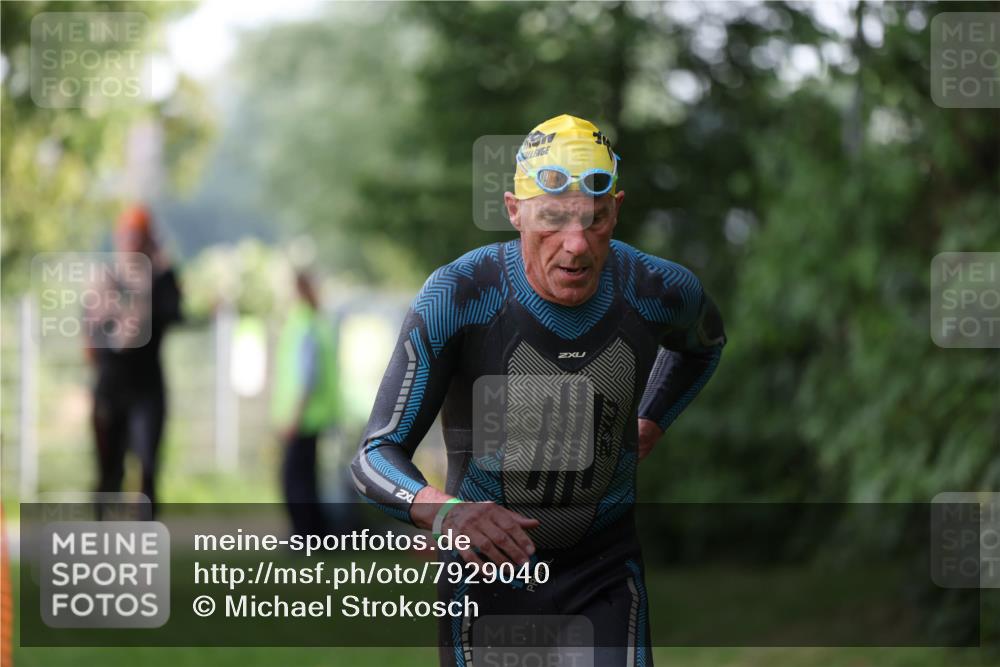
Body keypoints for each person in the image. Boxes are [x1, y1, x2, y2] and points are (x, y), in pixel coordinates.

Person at [350, 114, 726, 666]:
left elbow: (704, 345)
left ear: (615, 209)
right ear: (514, 211)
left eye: (594, 220)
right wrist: (446, 511)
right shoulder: (459, 296)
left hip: (604, 572)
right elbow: (374, 454)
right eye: (552, 220)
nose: (576, 246)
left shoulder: (657, 290)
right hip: (485, 577)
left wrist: (653, 418)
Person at [86, 204, 182, 514]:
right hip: (111, 386)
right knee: (109, 469)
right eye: (127, 236)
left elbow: (173, 314)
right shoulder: (106, 279)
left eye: (138, 236)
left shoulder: (161, 280)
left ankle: (145, 535)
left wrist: (152, 280)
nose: (131, 243)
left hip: (146, 387)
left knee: (148, 466)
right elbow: (90, 336)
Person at [271, 270, 342, 537]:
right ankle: (315, 534)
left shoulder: (303, 325)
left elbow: (305, 379)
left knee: (294, 481)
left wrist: (293, 418)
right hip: (314, 417)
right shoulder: (317, 322)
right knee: (307, 480)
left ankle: (304, 535)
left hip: (302, 419)